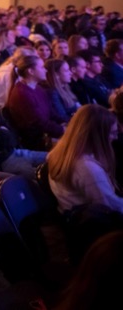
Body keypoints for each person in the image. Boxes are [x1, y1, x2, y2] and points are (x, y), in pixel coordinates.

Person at [47, 105, 123, 262]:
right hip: (96, 232)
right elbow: (111, 207)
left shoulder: (60, 153)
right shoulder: (86, 168)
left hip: (78, 224)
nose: (115, 137)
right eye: (113, 133)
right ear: (97, 135)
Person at [6, 55, 65, 149]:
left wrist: (67, 122)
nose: (45, 70)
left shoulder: (38, 88)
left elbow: (51, 113)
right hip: (38, 142)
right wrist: (63, 130)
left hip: (46, 135)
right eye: (42, 67)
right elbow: (40, 124)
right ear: (31, 71)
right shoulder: (22, 94)